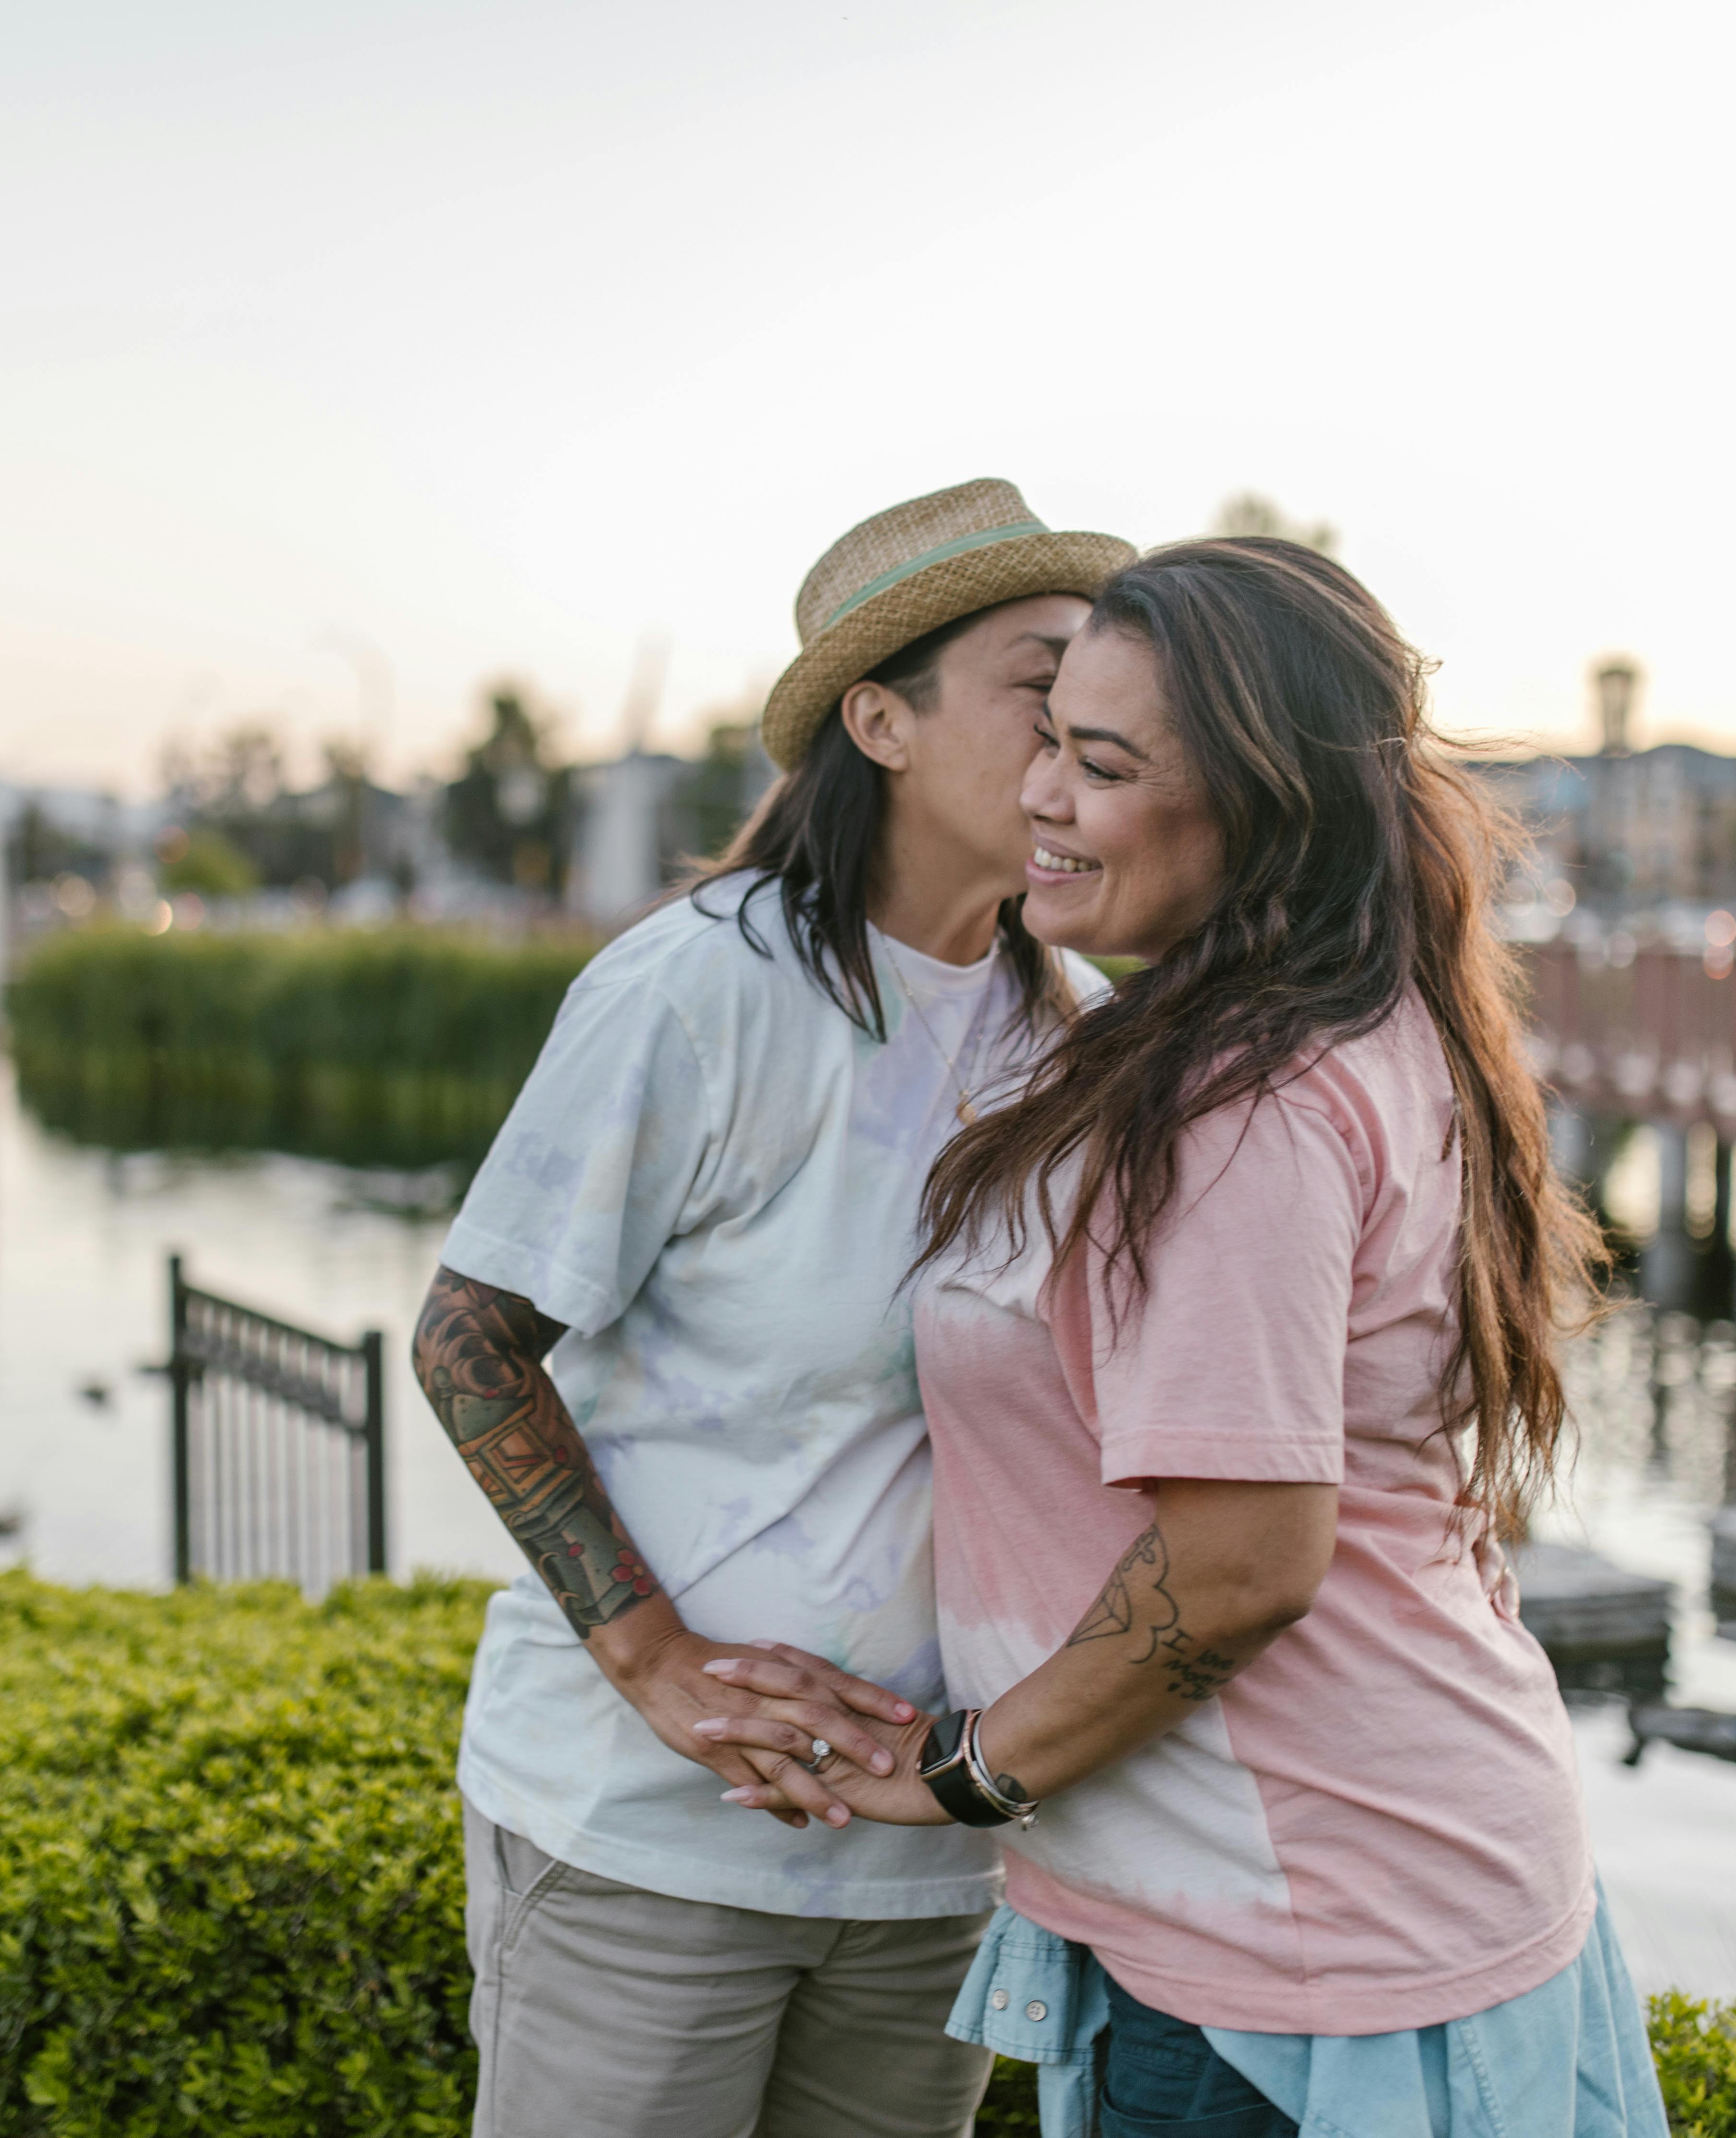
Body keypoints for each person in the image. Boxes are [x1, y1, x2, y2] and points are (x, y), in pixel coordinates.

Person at [701, 538, 1668, 2136]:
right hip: (1348, 1885)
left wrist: (967, 1772)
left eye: (1103, 765)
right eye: (1047, 742)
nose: (1043, 798)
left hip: (1300, 1934)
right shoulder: (1341, 1020)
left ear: (1265, 801)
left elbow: (1243, 1564)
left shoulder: (1245, 1107)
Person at [414, 479, 1128, 2137]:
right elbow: (468, 1337)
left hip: (930, 1855)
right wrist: (654, 1660)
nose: (1079, 724)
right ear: (879, 718)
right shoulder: (700, 987)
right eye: (1040, 679)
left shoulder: (1079, 1029)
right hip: (641, 1839)